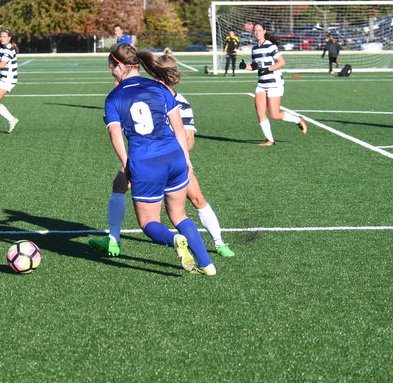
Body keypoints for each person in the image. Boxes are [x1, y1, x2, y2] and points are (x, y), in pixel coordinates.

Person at [90, 49, 234, 258]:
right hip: (163, 157)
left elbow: (187, 137)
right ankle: (113, 239)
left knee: (196, 199)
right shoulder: (151, 90)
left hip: (165, 158)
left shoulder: (172, 98)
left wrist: (181, 158)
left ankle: (219, 243)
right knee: (119, 183)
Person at [240, 22, 307, 146]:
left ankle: (298, 120)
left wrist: (268, 69)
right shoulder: (254, 48)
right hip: (261, 83)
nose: (257, 32)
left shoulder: (271, 46)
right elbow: (255, 65)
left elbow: (281, 62)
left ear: (264, 31)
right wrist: (245, 67)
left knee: (274, 115)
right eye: (255, 30)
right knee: (260, 113)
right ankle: (270, 140)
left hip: (274, 82)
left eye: (260, 30)